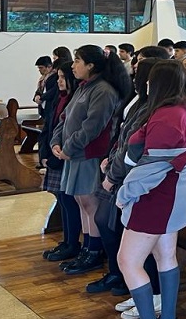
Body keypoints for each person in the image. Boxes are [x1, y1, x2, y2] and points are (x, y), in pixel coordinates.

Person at [111, 60, 186, 319]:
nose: (144, 83)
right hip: (172, 195)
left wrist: (124, 192)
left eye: (148, 79)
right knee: (165, 256)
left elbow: (152, 168)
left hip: (156, 197)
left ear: (158, 84)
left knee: (128, 261)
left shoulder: (167, 116)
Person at [50, 45, 131, 276]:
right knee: (80, 201)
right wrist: (56, 142)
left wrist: (69, 147)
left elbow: (93, 127)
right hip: (72, 154)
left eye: (77, 61)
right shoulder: (84, 87)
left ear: (91, 65)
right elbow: (65, 118)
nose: (73, 66)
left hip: (88, 153)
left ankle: (93, 251)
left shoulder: (103, 90)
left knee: (90, 203)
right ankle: (86, 248)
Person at [89, 57, 161, 298]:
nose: (133, 72)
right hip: (118, 166)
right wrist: (111, 155)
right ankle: (117, 273)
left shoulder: (154, 106)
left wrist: (114, 170)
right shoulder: (138, 99)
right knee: (106, 221)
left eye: (139, 69)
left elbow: (135, 145)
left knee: (114, 224)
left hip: (130, 174)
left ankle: (131, 282)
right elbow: (122, 132)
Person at [40, 62, 82, 262]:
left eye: (63, 78)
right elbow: (51, 125)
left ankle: (73, 243)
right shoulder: (61, 97)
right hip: (56, 152)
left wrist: (61, 149)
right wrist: (47, 150)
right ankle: (67, 241)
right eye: (58, 78)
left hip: (68, 155)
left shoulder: (75, 98)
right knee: (62, 199)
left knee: (68, 200)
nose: (59, 82)